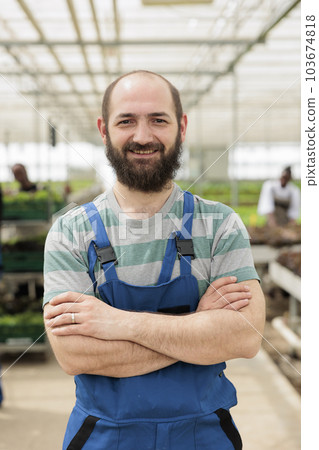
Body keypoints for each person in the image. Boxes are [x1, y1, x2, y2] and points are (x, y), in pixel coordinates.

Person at [43, 70, 265, 450]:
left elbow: (245, 335)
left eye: (158, 120)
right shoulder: (69, 233)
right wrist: (198, 330)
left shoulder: (220, 224)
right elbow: (73, 352)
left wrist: (116, 323)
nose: (142, 136)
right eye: (126, 120)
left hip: (203, 435)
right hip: (102, 435)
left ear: (181, 127)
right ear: (103, 129)